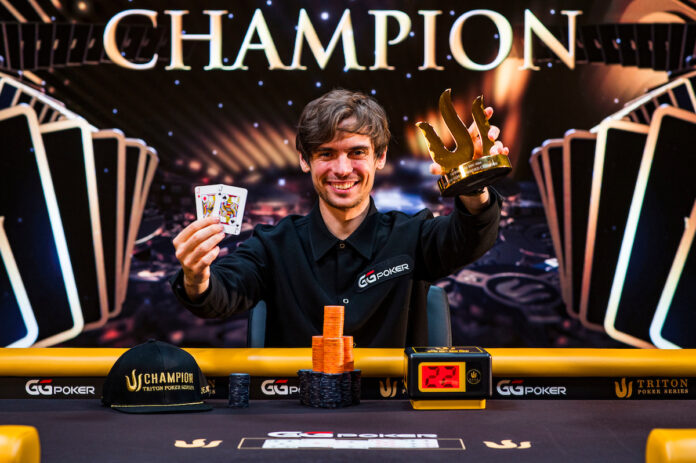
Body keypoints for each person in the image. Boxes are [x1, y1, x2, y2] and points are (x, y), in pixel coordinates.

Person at [171, 89, 509, 347]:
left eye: (357, 152)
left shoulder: (414, 235)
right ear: (305, 160)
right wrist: (196, 278)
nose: (343, 169)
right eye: (326, 154)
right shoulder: (272, 247)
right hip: (294, 415)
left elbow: (471, 237)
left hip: (394, 415)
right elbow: (218, 296)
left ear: (380, 156)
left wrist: (472, 185)